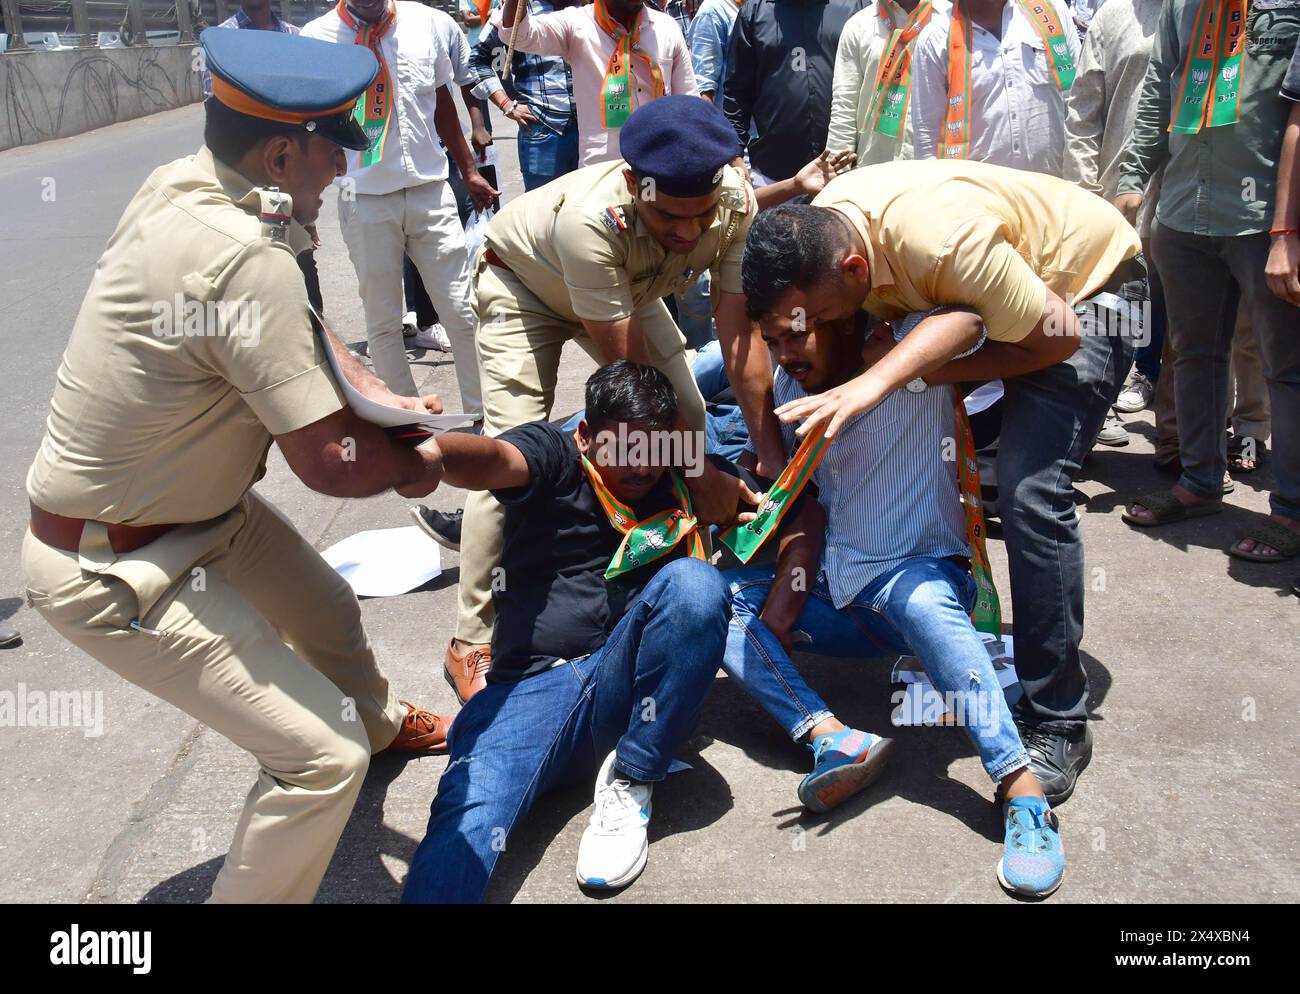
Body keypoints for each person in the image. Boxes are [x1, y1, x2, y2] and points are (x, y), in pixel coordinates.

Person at [20, 28, 453, 904]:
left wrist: (365, 376)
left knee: (327, 608)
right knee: (313, 765)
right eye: (336, 149)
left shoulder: (194, 187)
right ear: (285, 148)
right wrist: (418, 466)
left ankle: (371, 725)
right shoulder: (245, 256)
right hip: (110, 564)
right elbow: (331, 464)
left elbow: (292, 309)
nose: (343, 169)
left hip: (197, 509)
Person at [737, 158, 1143, 804]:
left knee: (1030, 488)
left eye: (811, 321)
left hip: (1086, 300)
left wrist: (900, 376)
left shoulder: (942, 245)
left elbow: (1054, 338)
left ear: (852, 273)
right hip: (1014, 300)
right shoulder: (832, 224)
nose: (803, 340)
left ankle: (1059, 719)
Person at [421, 95, 773, 705]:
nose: (689, 233)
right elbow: (632, 388)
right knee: (510, 457)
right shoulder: (592, 220)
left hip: (625, 290)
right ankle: (472, 640)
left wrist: (766, 453)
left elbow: (739, 332)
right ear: (637, 185)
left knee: (693, 417)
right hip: (523, 285)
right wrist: (700, 470)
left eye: (701, 215)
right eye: (671, 220)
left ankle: (693, 581)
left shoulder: (736, 201)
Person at [722, 308, 1065, 898]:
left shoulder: (905, 352)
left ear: (839, 315)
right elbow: (802, 505)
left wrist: (886, 368)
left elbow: (969, 320)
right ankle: (832, 737)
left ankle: (1020, 789)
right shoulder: (789, 387)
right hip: (838, 594)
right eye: (774, 340)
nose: (785, 354)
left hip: (919, 580)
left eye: (797, 333)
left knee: (924, 603)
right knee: (716, 603)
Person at [402, 362, 747, 902]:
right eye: (623, 449)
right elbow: (497, 459)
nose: (638, 467)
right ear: (586, 433)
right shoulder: (558, 456)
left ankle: (634, 775)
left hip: (624, 694)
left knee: (697, 585)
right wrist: (434, 455)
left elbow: (774, 506)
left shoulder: (678, 473)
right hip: (533, 692)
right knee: (467, 818)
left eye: (653, 452)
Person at [1115, 0, 1300, 566]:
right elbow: (1158, 83)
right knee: (1193, 353)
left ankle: (1290, 510)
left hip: (1265, 214)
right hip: (1184, 209)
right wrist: (1133, 174)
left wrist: (1288, 229)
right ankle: (1199, 482)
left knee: (1286, 367)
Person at [303, 0, 496, 410]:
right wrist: (305, 204)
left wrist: (468, 170)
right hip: (364, 199)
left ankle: (484, 417)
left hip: (430, 190)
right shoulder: (317, 39)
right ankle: (409, 421)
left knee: (462, 311)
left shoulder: (425, 23)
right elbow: (310, 122)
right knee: (384, 322)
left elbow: (443, 100)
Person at [1063, 0, 1162, 448]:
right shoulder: (1114, 15)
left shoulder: (1211, 13)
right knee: (1114, 318)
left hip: (1187, 194)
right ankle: (1098, 413)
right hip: (1115, 197)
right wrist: (1085, 193)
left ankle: (1182, 439)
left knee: (1190, 324)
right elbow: (1082, 111)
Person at [199, 0, 325, 315]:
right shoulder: (221, 41)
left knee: (304, 281)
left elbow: (307, 113)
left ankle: (315, 350)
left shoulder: (295, 38)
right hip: (246, 178)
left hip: (290, 175)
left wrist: (306, 195)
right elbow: (217, 115)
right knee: (251, 271)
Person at [493, 0, 698, 167]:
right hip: (601, 169)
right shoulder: (576, 24)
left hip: (661, 164)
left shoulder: (667, 27)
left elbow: (689, 105)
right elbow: (516, 35)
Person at [911, 0, 1081, 177]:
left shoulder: (1053, 14)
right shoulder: (936, 38)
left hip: (1052, 190)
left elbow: (1079, 104)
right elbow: (927, 141)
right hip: (978, 195)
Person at [723, 0, 868, 187]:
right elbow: (737, 91)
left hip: (844, 171)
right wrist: (734, 154)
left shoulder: (854, 7)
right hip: (774, 174)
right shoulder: (755, 11)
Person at [467, 0, 581, 191]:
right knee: (543, 212)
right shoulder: (516, 9)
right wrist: (506, 104)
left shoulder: (590, 7)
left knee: (589, 210)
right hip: (542, 130)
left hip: (592, 130)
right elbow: (477, 60)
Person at [827, 0, 950, 167]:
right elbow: (845, 105)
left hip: (937, 172)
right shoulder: (859, 25)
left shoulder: (951, 20)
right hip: (873, 171)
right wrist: (838, 174)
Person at [688, 0, 742, 104]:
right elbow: (704, 85)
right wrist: (707, 119)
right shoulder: (711, 11)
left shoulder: (761, 7)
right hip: (726, 116)